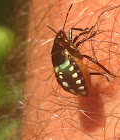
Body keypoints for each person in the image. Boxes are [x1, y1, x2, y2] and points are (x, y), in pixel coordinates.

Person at [18, 0, 120, 139]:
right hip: (72, 77)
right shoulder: (64, 51)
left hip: (71, 79)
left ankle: (107, 72)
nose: (67, 36)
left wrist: (87, 32)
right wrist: (88, 33)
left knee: (82, 55)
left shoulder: (61, 51)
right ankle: (110, 74)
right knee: (89, 59)